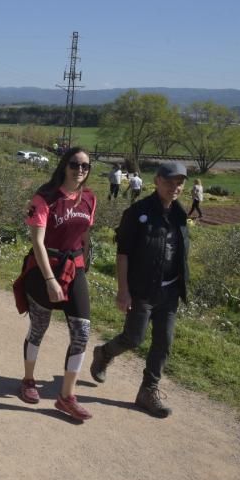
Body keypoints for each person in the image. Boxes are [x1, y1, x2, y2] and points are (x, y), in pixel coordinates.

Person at [90, 162, 190, 418]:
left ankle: (148, 391)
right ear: (156, 181)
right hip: (142, 289)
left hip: (169, 291)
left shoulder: (180, 214)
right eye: (169, 182)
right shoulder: (137, 212)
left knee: (164, 342)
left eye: (179, 183)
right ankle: (104, 353)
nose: (175, 187)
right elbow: (123, 253)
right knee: (133, 338)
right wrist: (123, 290)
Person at [13, 147, 96, 421]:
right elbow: (37, 242)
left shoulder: (89, 199)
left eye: (85, 166)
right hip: (44, 269)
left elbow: (85, 236)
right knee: (39, 327)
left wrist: (85, 265)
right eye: (75, 164)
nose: (80, 170)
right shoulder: (45, 198)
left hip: (75, 269)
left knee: (82, 332)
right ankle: (28, 380)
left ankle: (67, 396)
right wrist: (50, 279)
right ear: (64, 166)